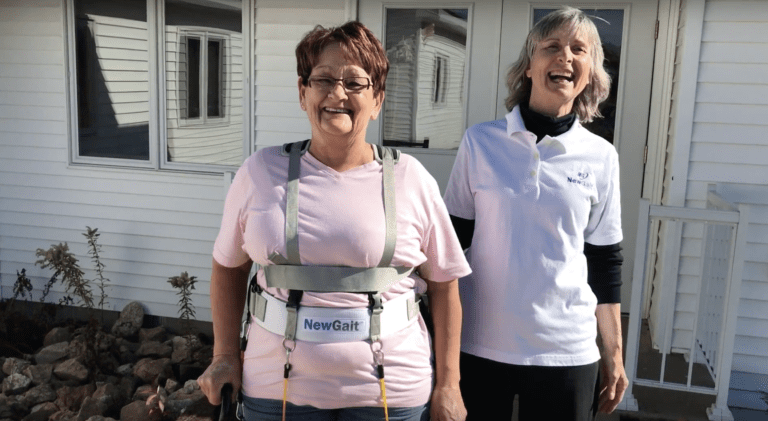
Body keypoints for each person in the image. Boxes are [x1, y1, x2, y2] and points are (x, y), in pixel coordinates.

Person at [198, 21, 470, 421]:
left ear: (377, 100)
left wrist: (449, 386)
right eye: (323, 79)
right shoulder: (259, 173)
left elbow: (445, 285)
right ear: (302, 92)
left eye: (355, 83)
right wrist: (224, 355)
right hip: (275, 393)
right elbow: (228, 267)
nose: (337, 94)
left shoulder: (411, 179)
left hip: (391, 395)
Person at [443, 7, 627, 421]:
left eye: (579, 49)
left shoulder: (601, 157)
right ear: (528, 66)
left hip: (567, 352)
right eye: (552, 47)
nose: (565, 57)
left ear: (590, 74)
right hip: (479, 343)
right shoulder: (480, 142)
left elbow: (604, 261)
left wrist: (613, 354)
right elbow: (451, 246)